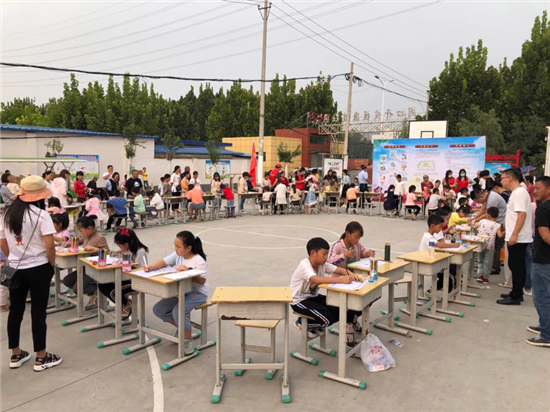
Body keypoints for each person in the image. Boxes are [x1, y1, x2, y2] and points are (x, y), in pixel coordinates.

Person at [0, 175, 62, 371]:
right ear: (40, 196)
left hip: (15, 268)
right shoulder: (41, 215)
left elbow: (2, 243)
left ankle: (16, 354)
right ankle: (41, 357)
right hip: (39, 267)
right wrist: (51, 264)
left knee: (16, 311)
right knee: (38, 312)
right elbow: (50, 246)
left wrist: (14, 257)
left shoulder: (6, 215)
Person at [290, 237, 363, 348]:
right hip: (299, 301)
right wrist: (341, 280)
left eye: (327, 254)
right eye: (324, 254)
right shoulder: (305, 265)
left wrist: (350, 274)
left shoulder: (322, 264)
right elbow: (316, 280)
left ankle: (315, 324)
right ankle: (302, 322)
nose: (326, 257)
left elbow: (339, 270)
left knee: (341, 309)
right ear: (313, 253)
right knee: (327, 320)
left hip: (313, 297)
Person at [146, 231, 209, 355]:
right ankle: (184, 329)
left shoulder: (198, 260)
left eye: (178, 246)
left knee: (178, 311)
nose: (175, 249)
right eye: (175, 245)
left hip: (197, 293)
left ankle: (188, 339)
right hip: (180, 291)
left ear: (188, 248)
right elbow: (163, 262)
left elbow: (202, 281)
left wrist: (188, 271)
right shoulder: (178, 255)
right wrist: (151, 267)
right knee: (159, 309)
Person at [497, 168, 532, 305]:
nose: (501, 181)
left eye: (502, 178)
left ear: (510, 178)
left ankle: (516, 296)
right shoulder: (516, 193)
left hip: (518, 237)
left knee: (517, 266)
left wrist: (515, 234)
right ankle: (515, 292)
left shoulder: (519, 193)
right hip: (514, 235)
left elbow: (522, 215)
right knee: (514, 265)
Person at [98, 229, 148, 320]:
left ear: (126, 245)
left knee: (113, 292)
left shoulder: (140, 252)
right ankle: (125, 302)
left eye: (120, 246)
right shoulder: (128, 249)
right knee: (102, 284)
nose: (120, 248)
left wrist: (124, 263)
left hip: (136, 281)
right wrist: (117, 253)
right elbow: (122, 254)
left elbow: (140, 269)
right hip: (125, 277)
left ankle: (125, 304)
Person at [62, 215, 109, 310]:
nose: (81, 233)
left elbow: (107, 253)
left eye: (81, 230)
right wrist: (70, 243)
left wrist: (95, 249)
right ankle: (92, 292)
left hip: (94, 269)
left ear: (89, 229)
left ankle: (97, 289)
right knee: (67, 281)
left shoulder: (99, 238)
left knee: (77, 289)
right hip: (85, 267)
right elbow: (79, 240)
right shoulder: (86, 236)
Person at [528, 176, 550, 347]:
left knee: (542, 297)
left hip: (543, 259)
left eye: (538, 188)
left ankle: (547, 334)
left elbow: (545, 236)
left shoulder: (543, 209)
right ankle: (545, 325)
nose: (534, 191)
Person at [471, 189, 507, 275]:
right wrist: (474, 218)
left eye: (478, 201)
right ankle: (487, 268)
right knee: (490, 251)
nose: (479, 203)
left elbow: (487, 214)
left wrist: (476, 220)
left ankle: (494, 267)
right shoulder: (488, 197)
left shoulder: (492, 199)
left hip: (499, 222)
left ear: (481, 196)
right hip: (495, 224)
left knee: (496, 247)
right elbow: (483, 209)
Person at [475, 207, 505, 284]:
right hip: (490, 246)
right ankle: (485, 277)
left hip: (480, 243)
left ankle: (480, 275)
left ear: (487, 215)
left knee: (480, 260)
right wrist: (505, 231)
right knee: (487, 262)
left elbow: (474, 227)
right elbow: (500, 235)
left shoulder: (482, 221)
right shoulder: (497, 225)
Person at [524, 199, 537, 296]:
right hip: (538, 237)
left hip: (528, 236)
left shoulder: (531, 206)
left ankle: (527, 286)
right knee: (533, 263)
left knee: (528, 262)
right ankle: (530, 286)